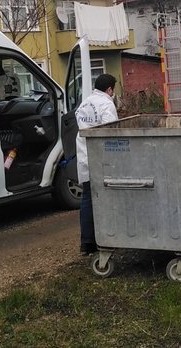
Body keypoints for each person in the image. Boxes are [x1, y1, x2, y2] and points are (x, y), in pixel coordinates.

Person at [75, 73, 118, 255]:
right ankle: (108, 239)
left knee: (87, 200)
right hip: (102, 158)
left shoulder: (85, 102)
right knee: (106, 199)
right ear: (109, 89)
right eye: (113, 90)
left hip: (85, 156)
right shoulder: (107, 104)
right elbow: (111, 131)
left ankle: (87, 244)